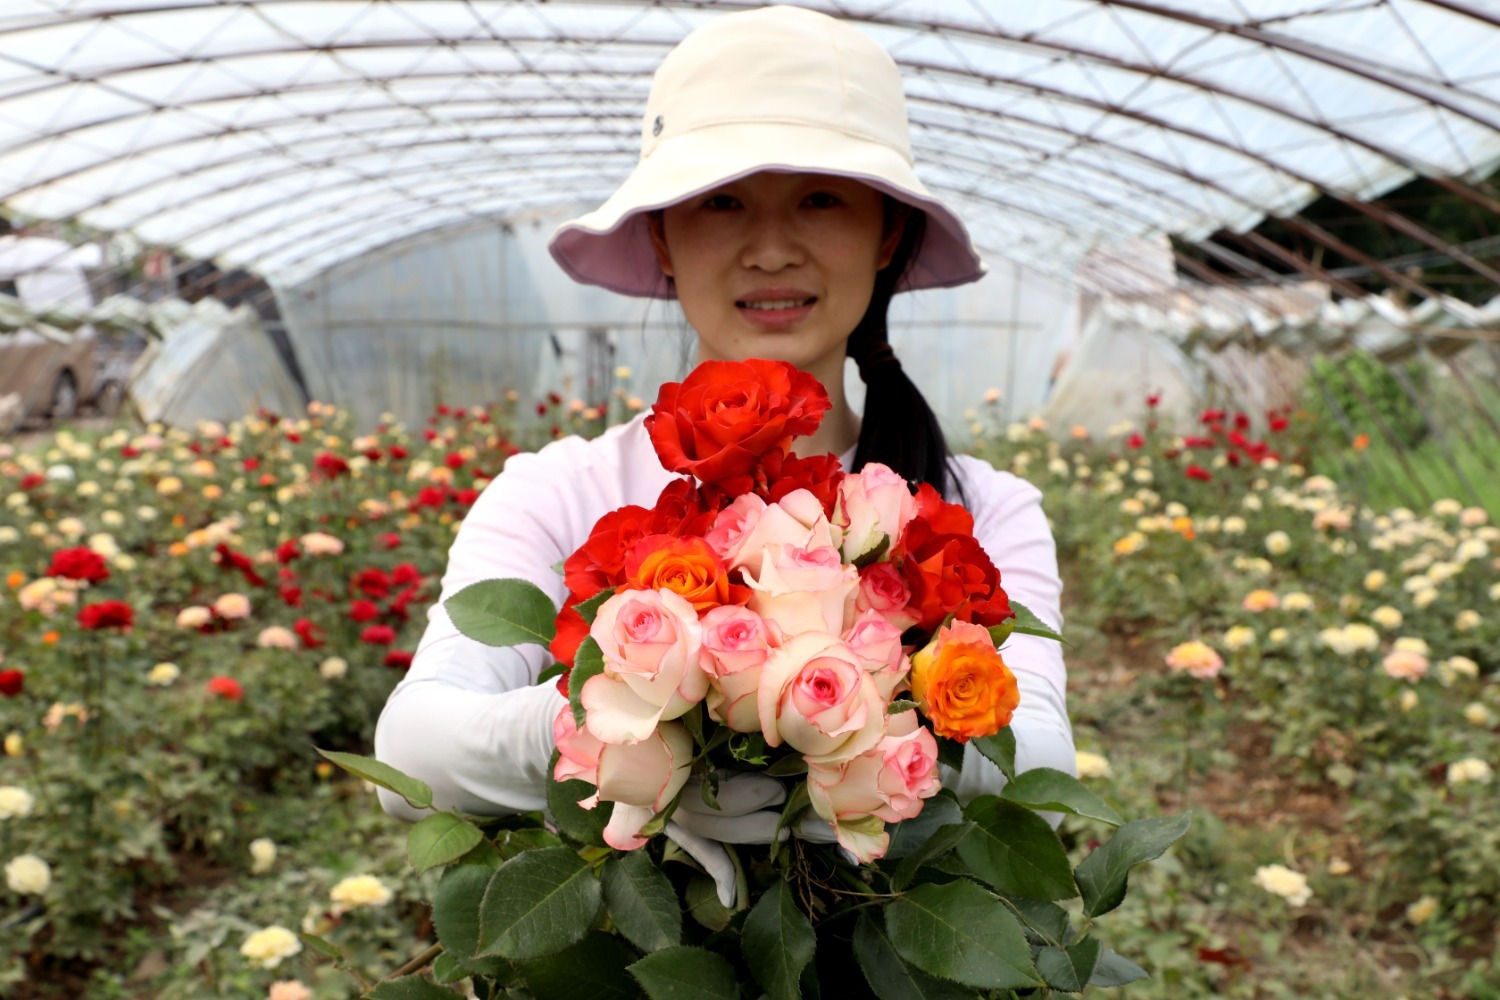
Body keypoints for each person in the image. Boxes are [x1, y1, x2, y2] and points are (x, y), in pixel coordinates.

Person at [374, 4, 1074, 905]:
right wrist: (648, 709)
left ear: (888, 233)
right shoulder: (557, 491)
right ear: (662, 238)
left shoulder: (981, 510)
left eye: (821, 199)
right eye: (721, 201)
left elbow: (1041, 767)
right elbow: (414, 753)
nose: (771, 250)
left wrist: (843, 726)